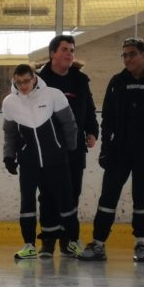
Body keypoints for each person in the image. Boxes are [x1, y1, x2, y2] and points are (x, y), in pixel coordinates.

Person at [79, 37, 144, 263]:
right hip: (119, 151)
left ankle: (141, 244)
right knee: (108, 197)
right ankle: (99, 243)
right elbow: (108, 119)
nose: (128, 58)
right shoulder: (116, 82)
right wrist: (105, 149)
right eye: (124, 55)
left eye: (132, 54)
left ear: (143, 55)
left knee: (142, 198)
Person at [1, 64, 80, 260]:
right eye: (18, 82)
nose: (23, 86)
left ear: (34, 78)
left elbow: (69, 124)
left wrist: (70, 150)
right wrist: (8, 156)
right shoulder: (10, 102)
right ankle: (29, 245)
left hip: (57, 159)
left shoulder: (53, 95)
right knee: (27, 202)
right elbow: (10, 134)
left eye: (26, 81)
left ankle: (73, 241)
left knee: (66, 201)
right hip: (29, 162)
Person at [37, 35, 99, 257]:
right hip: (47, 148)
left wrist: (92, 131)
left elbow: (89, 109)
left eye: (72, 50)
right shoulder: (38, 80)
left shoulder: (80, 80)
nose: (69, 53)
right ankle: (48, 241)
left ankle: (68, 240)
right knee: (48, 194)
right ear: (53, 53)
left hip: (74, 148)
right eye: (64, 49)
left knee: (72, 194)